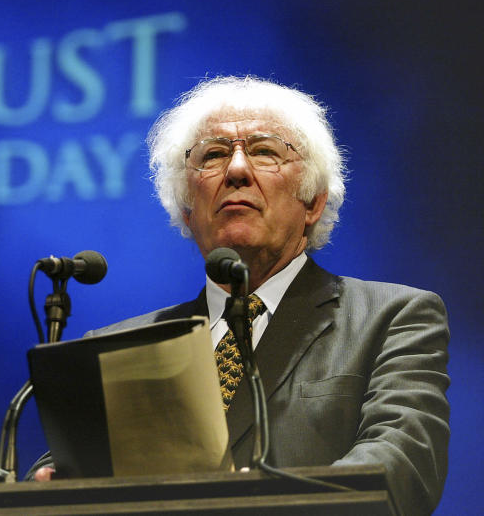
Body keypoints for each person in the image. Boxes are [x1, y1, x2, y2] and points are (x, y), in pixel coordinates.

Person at [30, 76, 449, 516]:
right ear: (187, 210)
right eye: (212, 155)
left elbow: (400, 467)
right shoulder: (115, 347)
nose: (235, 170)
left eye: (265, 151)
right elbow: (55, 479)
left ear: (313, 203)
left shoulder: (392, 318)